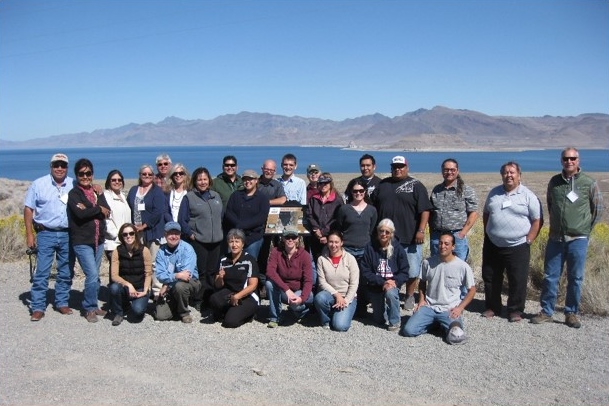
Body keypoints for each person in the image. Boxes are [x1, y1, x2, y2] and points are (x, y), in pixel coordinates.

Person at [532, 148, 603, 328]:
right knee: (550, 276)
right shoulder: (554, 182)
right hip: (556, 238)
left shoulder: (589, 183)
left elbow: (598, 209)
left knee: (576, 277)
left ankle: (571, 313)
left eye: (573, 158)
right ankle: (547, 311)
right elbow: (550, 205)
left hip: (578, 239)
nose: (569, 161)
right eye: (566, 158)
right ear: (561, 160)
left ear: (578, 160)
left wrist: (585, 229)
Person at [482, 161, 542, 322]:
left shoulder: (528, 196)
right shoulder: (494, 193)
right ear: (502, 175)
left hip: (518, 245)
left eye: (512, 172)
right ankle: (492, 307)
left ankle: (515, 310)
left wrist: (529, 239)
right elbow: (486, 213)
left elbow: (537, 220)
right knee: (491, 276)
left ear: (519, 175)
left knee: (517, 278)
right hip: (493, 244)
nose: (509, 175)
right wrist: (489, 232)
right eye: (506, 172)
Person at [371, 155, 433, 310]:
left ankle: (410, 295)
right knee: (387, 268)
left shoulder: (416, 185)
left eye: (401, 167)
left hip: (410, 237)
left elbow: (425, 210)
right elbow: (373, 207)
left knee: (412, 269)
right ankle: (389, 293)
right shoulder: (383, 184)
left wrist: (421, 230)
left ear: (407, 167)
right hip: (386, 238)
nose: (398, 169)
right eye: (395, 167)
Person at [24, 153, 75, 321]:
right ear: (51, 166)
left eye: (63, 165)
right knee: (42, 272)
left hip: (68, 234)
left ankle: (61, 302)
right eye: (56, 165)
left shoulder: (74, 184)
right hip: (45, 233)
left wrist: (96, 187)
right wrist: (29, 234)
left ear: (67, 167)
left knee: (66, 271)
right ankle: (38, 306)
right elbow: (28, 209)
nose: (59, 168)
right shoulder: (39, 184)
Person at [401, 232, 476, 344]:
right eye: (440, 243)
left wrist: (459, 308)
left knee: (455, 337)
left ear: (453, 246)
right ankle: (436, 325)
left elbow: (472, 290)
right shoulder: (428, 263)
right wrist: (422, 300)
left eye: (446, 244)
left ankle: (449, 324)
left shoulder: (462, 267)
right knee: (408, 331)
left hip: (449, 308)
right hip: (430, 306)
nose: (442, 246)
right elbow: (422, 282)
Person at [67, 158, 111, 323]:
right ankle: (89, 307)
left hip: (98, 240)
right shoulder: (74, 194)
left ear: (92, 174)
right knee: (92, 274)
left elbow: (107, 212)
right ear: (76, 175)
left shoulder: (97, 191)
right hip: (82, 241)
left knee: (96, 275)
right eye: (81, 174)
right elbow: (80, 214)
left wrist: (95, 207)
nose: (85, 176)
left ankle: (93, 304)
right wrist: (98, 209)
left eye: (88, 173)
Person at [181, 167, 224, 309]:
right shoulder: (189, 198)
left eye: (205, 179)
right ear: (195, 181)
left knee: (213, 271)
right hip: (199, 241)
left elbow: (221, 216)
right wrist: (191, 234)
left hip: (216, 240)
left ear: (209, 180)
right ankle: (199, 300)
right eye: (199, 179)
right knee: (201, 272)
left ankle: (211, 297)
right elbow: (182, 220)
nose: (202, 182)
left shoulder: (215, 196)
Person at [335, 178, 377, 317]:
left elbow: (372, 230)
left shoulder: (371, 210)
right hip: (348, 250)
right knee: (348, 279)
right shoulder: (344, 209)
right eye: (355, 191)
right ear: (351, 192)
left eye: (361, 190)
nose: (358, 193)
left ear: (365, 192)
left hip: (364, 250)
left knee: (363, 280)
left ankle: (361, 307)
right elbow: (340, 227)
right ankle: (348, 305)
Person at [360, 219, 410, 331]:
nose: (384, 234)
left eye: (387, 232)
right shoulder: (370, 247)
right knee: (379, 320)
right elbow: (366, 271)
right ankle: (385, 313)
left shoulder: (398, 249)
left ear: (391, 234)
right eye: (381, 231)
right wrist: (382, 282)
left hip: (392, 284)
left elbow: (405, 271)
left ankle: (395, 322)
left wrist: (395, 282)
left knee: (391, 294)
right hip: (376, 285)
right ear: (377, 232)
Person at [127, 164, 166, 298]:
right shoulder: (133, 190)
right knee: (140, 262)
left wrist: (144, 226)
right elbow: (129, 208)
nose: (147, 176)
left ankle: (156, 292)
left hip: (152, 231)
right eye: (144, 174)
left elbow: (158, 212)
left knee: (154, 262)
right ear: (140, 175)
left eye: (150, 174)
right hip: (136, 233)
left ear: (153, 176)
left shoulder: (157, 191)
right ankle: (143, 289)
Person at [429, 158, 479, 260]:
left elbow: (473, 213)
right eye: (446, 170)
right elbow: (431, 212)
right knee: (436, 267)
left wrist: (462, 234)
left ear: (457, 171)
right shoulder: (436, 190)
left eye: (452, 170)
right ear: (442, 171)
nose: (449, 172)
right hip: (437, 236)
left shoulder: (466, 190)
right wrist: (432, 232)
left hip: (457, 236)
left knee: (458, 269)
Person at [209, 228, 260, 328]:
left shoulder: (249, 260)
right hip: (230, 293)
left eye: (237, 241)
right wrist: (220, 277)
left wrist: (237, 296)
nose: (234, 245)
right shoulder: (223, 259)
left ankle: (249, 315)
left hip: (247, 296)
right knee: (213, 299)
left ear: (242, 244)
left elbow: (253, 285)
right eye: (231, 241)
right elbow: (218, 285)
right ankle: (230, 310)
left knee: (229, 322)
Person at [265, 226, 314, 327]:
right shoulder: (275, 252)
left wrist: (302, 298)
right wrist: (286, 290)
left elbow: (308, 280)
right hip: (284, 290)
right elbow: (270, 272)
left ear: (298, 239)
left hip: (300, 290)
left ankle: (302, 312)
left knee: (295, 305)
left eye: (293, 237)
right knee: (269, 284)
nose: (290, 239)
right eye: (287, 237)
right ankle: (275, 317)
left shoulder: (305, 255)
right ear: (282, 238)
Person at [154, 221, 200, 323]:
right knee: (160, 316)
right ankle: (176, 305)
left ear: (180, 235)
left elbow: (186, 275)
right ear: (165, 235)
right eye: (170, 233)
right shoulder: (161, 251)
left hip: (191, 282)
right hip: (171, 283)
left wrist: (167, 285)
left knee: (180, 286)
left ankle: (184, 313)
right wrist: (175, 276)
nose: (174, 236)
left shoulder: (187, 249)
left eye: (176, 233)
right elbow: (160, 275)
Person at [314, 230, 359, 331]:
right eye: (331, 242)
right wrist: (336, 294)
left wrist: (346, 300)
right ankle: (326, 320)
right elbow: (322, 282)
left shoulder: (350, 259)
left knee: (340, 326)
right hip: (330, 295)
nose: (333, 245)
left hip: (347, 297)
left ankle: (339, 312)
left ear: (341, 243)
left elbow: (354, 283)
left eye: (336, 242)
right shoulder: (321, 259)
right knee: (319, 298)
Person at [108, 223, 152, 326]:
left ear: (135, 234)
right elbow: (114, 276)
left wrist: (145, 291)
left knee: (137, 312)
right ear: (121, 236)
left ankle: (137, 304)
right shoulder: (117, 252)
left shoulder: (144, 250)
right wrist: (128, 285)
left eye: (131, 233)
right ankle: (119, 313)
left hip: (140, 288)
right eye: (125, 234)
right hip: (125, 288)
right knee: (114, 287)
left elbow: (148, 273)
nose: (128, 236)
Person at [224, 169, 270, 259]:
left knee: (250, 262)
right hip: (236, 236)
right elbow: (229, 212)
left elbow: (261, 217)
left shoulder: (262, 198)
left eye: (250, 179)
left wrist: (243, 225)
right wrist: (238, 224)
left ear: (256, 180)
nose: (247, 182)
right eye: (245, 179)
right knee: (233, 261)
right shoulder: (236, 195)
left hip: (253, 237)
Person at [307, 172, 344, 262]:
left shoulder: (337, 200)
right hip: (315, 236)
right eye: (320, 183)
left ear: (330, 184)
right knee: (316, 261)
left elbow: (337, 219)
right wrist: (316, 230)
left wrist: (325, 233)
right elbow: (309, 215)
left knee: (330, 261)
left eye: (326, 183)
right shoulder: (313, 199)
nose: (323, 185)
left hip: (332, 238)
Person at [103, 169, 131, 281]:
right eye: (113, 180)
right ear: (109, 181)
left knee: (122, 270)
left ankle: (121, 294)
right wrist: (116, 234)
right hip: (113, 242)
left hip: (125, 240)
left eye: (119, 180)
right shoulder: (105, 196)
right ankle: (114, 295)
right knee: (116, 269)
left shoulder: (122, 196)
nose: (117, 182)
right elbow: (105, 220)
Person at [164, 163, 191, 229]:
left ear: (185, 175)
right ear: (172, 176)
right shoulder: (167, 193)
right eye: (175, 173)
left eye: (181, 173)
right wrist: (172, 224)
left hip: (187, 229)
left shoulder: (190, 192)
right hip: (171, 229)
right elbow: (165, 211)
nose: (178, 175)